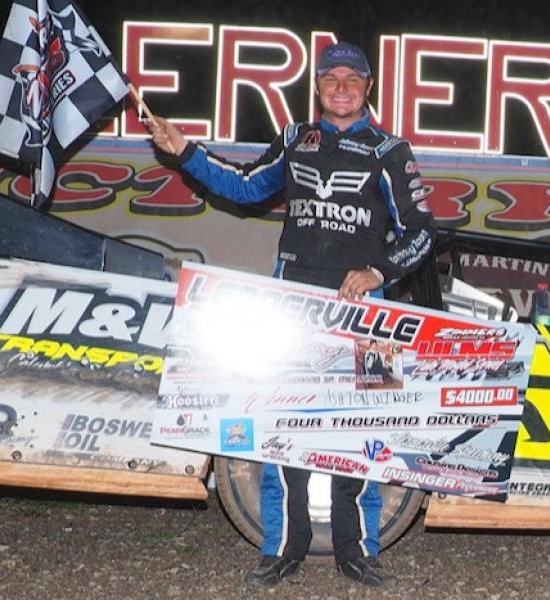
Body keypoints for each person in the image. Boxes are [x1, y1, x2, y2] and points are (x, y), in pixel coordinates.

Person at [145, 40, 436, 588]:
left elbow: (422, 232)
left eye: (353, 79)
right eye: (332, 79)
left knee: (366, 436)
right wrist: (184, 150)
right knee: (279, 432)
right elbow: (244, 187)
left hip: (370, 318)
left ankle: (358, 551)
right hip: (292, 310)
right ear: (318, 87)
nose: (342, 88)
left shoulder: (390, 150)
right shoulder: (295, 139)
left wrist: (377, 272)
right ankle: (282, 548)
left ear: (368, 87)